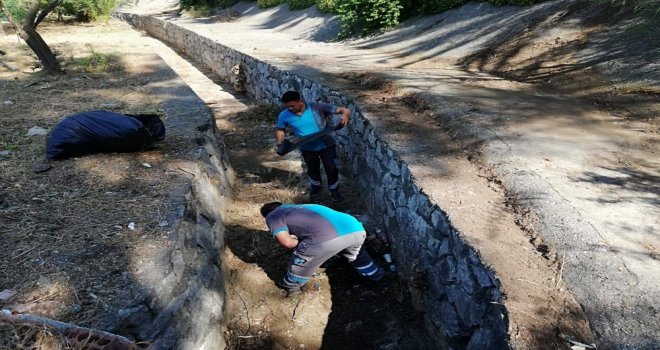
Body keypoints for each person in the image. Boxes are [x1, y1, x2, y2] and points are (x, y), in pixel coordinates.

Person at [260, 202, 385, 295]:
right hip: (356, 230)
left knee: (302, 257)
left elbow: (287, 243)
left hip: (327, 239)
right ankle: (375, 274)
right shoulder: (301, 207)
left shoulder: (273, 216)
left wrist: (299, 243)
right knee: (356, 255)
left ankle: (292, 287)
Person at [275, 91, 352, 202]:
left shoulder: (316, 107)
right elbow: (280, 130)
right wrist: (280, 142)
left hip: (326, 145)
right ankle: (315, 187)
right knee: (312, 169)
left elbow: (345, 110)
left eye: (293, 105)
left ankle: (334, 190)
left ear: (300, 100)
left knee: (331, 168)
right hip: (306, 147)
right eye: (288, 107)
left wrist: (345, 116)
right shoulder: (284, 115)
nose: (290, 108)